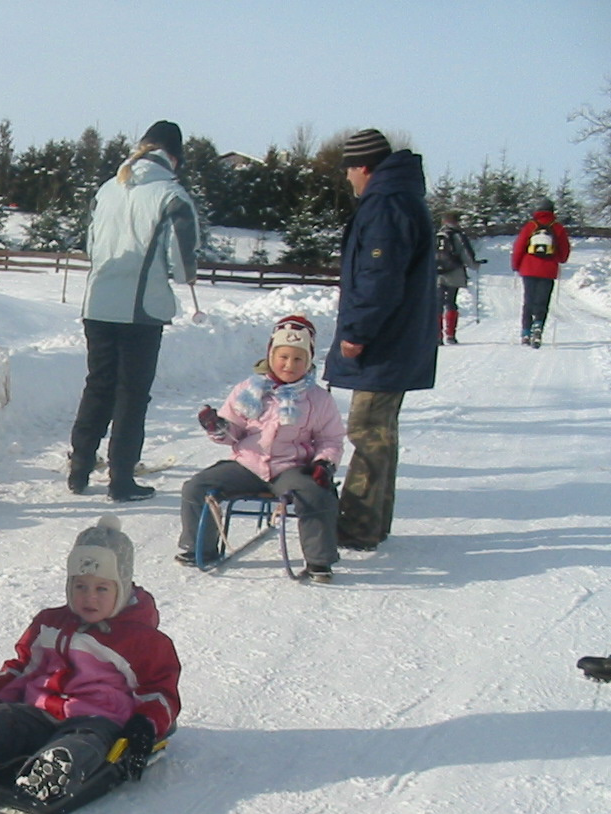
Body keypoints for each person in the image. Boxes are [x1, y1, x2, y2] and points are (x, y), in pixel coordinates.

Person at [0, 517, 180, 811]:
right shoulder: (50, 622)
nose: (89, 597)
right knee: (0, 720)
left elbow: (160, 691)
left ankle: (50, 775)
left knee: (83, 745)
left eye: (102, 589)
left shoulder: (142, 640)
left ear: (122, 588)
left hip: (97, 720)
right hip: (38, 712)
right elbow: (22, 667)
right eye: (80, 586)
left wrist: (144, 725)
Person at [68, 120, 201, 501]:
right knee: (131, 393)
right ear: (174, 157)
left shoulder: (109, 187)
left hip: (97, 302)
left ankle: (79, 468)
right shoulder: (171, 193)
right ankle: (121, 478)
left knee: (98, 385)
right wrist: (184, 273)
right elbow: (181, 257)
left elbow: (91, 244)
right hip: (140, 308)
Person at [324, 128, 437, 553]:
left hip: (386, 340)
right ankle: (373, 522)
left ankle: (358, 526)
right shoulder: (398, 199)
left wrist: (356, 333)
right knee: (380, 432)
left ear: (364, 167)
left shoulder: (387, 206)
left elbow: (379, 278)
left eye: (350, 170)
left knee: (368, 431)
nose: (348, 179)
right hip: (398, 338)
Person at [177, 314, 345, 581]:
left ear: (309, 361)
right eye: (283, 357)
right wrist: (217, 426)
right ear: (270, 355)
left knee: (315, 493)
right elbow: (234, 432)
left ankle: (319, 561)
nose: (289, 365)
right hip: (248, 463)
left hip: (290, 467)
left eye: (298, 359)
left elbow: (331, 439)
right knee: (196, 486)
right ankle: (200, 548)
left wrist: (324, 463)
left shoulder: (318, 399)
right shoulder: (248, 390)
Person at [511, 198, 571, 348]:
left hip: (529, 268)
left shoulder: (530, 226)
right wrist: (558, 259)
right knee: (542, 301)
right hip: (548, 270)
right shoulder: (558, 228)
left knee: (528, 300)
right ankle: (538, 327)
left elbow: (519, 247)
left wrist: (516, 265)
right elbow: (564, 254)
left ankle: (525, 333)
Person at [435, 211, 483, 345]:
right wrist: (474, 265)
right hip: (454, 273)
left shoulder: (436, 235)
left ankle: (437, 336)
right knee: (451, 302)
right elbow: (465, 254)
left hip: (437, 273)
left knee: (437, 304)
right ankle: (450, 335)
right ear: (456, 222)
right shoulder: (457, 235)